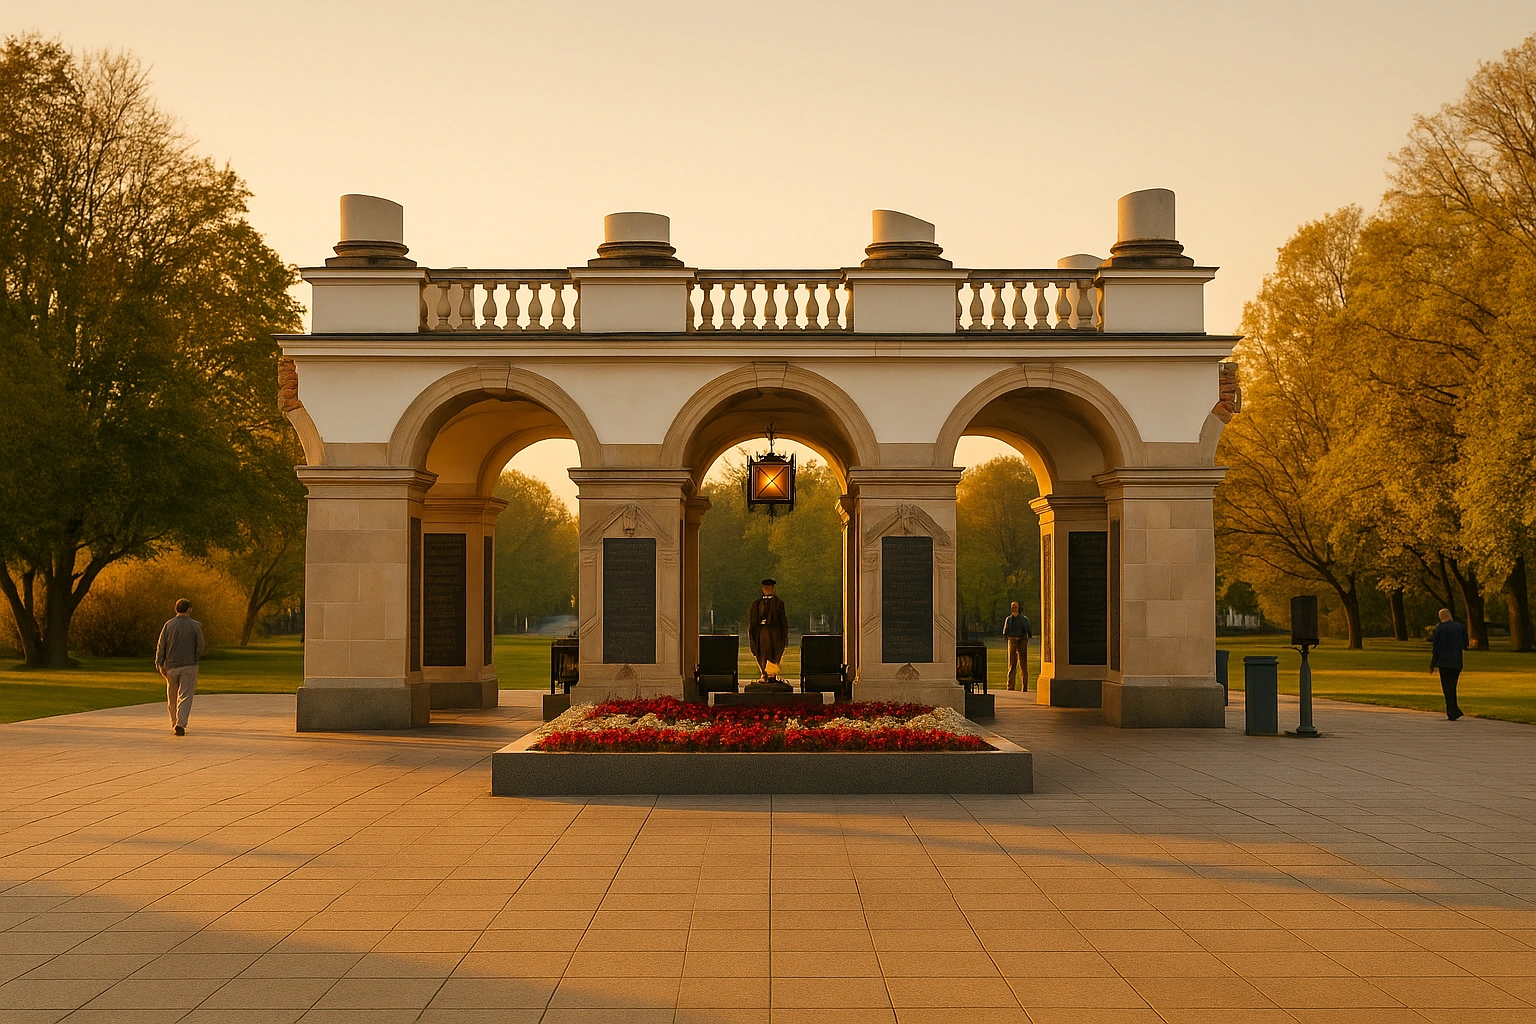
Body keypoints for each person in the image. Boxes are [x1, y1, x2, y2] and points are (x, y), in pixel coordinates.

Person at [155, 598, 206, 736]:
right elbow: (201, 644)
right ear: (189, 609)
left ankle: (173, 721)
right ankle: (181, 723)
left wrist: (159, 663)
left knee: (172, 694)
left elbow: (161, 645)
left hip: (171, 665)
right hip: (189, 664)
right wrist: (195, 656)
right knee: (185, 694)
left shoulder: (168, 625)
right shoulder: (195, 626)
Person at [747, 578, 789, 684]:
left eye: (769, 588)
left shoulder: (779, 603)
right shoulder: (756, 603)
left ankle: (772, 674)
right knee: (762, 652)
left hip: (774, 633)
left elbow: (783, 620)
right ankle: (763, 673)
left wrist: (784, 635)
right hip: (761, 632)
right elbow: (752, 621)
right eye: (765, 588)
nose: (767, 590)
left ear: (773, 589)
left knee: (774, 652)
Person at [1429, 607, 1468, 721]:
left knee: (1447, 688)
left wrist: (1432, 664)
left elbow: (1436, 648)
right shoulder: (1460, 627)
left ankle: (1452, 711)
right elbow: (1465, 644)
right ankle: (1455, 709)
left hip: (1443, 662)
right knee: (1453, 686)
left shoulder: (1439, 629)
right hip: (1456, 662)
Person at [1002, 601, 1033, 691]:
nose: (1014, 609)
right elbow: (1005, 631)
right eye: (1013, 607)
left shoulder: (1024, 619)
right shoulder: (1009, 619)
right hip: (1012, 639)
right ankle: (1010, 685)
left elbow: (1028, 631)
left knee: (1023, 663)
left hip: (1022, 640)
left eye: (1016, 607)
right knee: (1012, 663)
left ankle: (1025, 686)